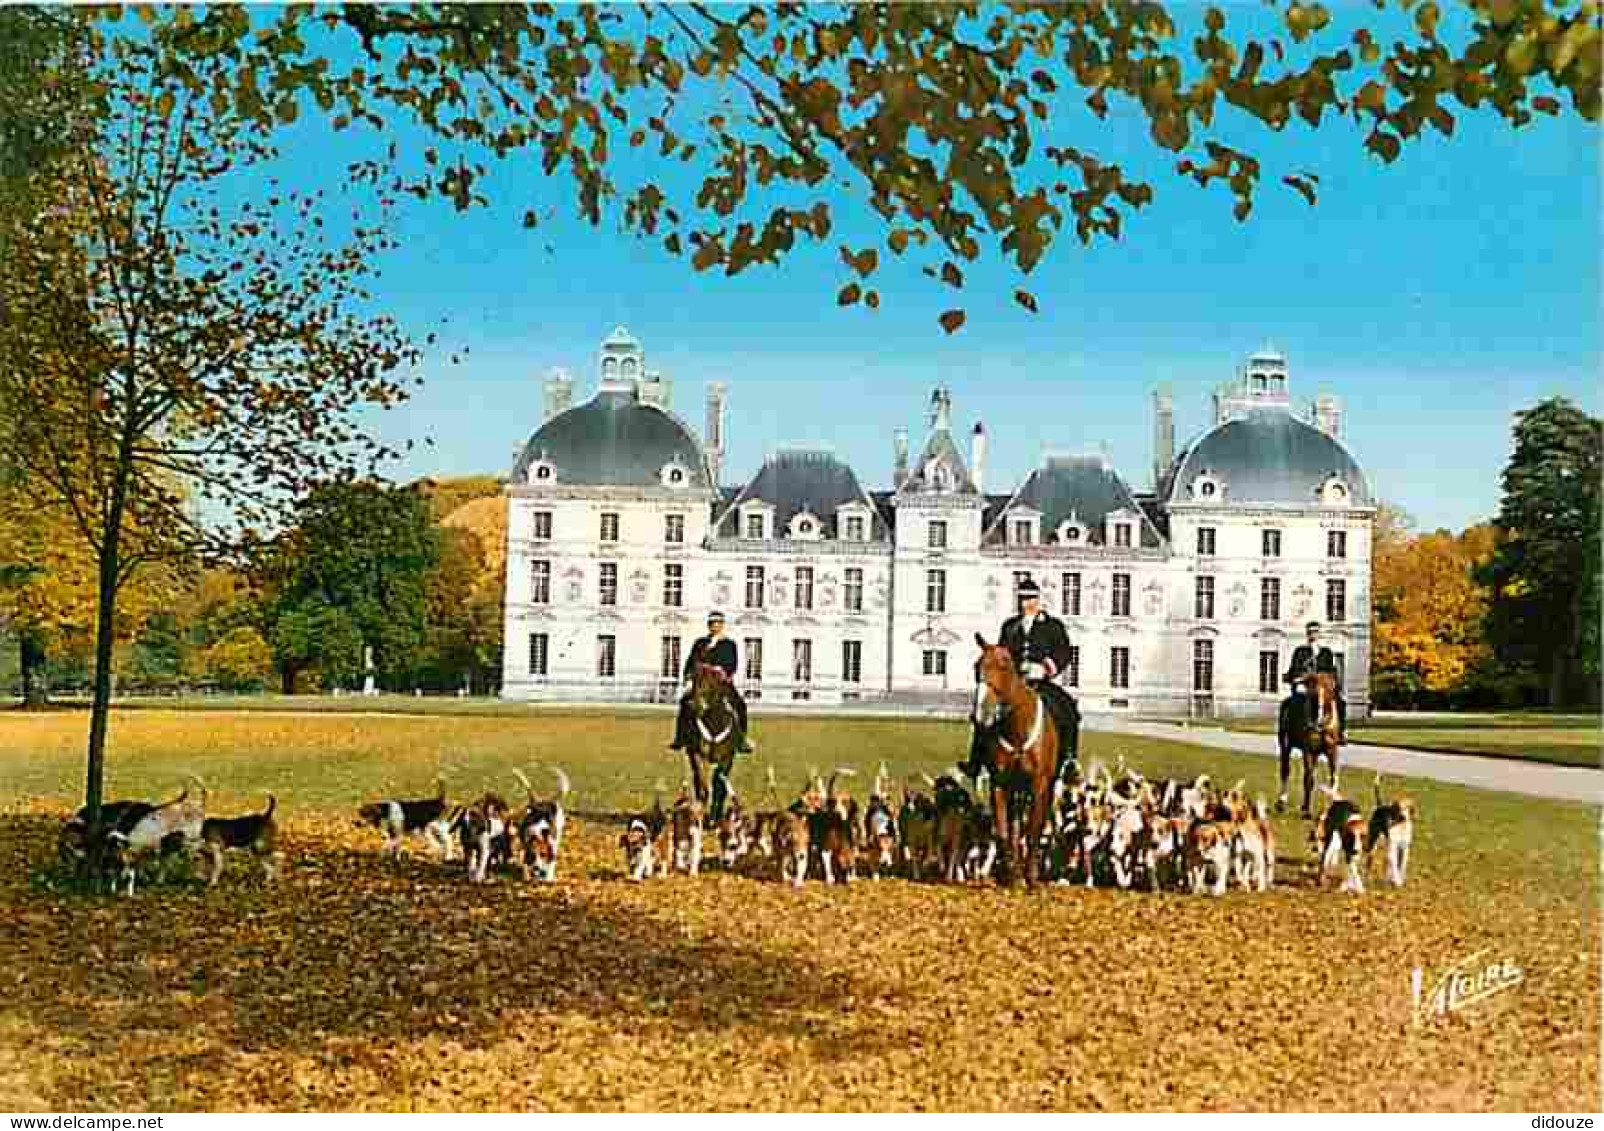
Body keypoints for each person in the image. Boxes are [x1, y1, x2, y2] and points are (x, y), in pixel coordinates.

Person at [964, 576, 1080, 781]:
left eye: (1030, 599)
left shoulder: (1053, 626)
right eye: (1023, 599)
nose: (1026, 604)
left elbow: (1064, 651)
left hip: (1041, 682)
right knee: (985, 713)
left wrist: (1048, 667)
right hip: (1014, 685)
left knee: (1067, 707)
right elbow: (1001, 655)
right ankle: (976, 760)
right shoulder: (1010, 626)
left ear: (1038, 600)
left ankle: (1069, 759)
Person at [668, 611, 754, 753]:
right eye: (712, 624)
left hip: (721, 684)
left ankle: (742, 740)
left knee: (740, 705)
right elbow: (691, 661)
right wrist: (689, 677)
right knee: (685, 703)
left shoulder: (729, 644)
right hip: (701, 683)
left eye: (718, 624)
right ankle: (680, 737)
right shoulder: (700, 643)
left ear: (722, 625)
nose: (715, 627)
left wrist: (724, 673)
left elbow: (732, 664)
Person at [1282, 620, 1347, 743]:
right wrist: (1299, 678)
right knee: (1296, 701)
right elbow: (1294, 670)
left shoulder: (1326, 652)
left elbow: (1332, 671)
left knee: (1340, 702)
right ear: (1307, 634)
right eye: (1310, 632)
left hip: (1322, 687)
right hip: (1305, 687)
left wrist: (1330, 681)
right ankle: (1292, 732)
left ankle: (1340, 732)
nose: (1313, 635)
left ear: (1319, 634)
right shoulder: (1300, 651)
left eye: (1316, 632)